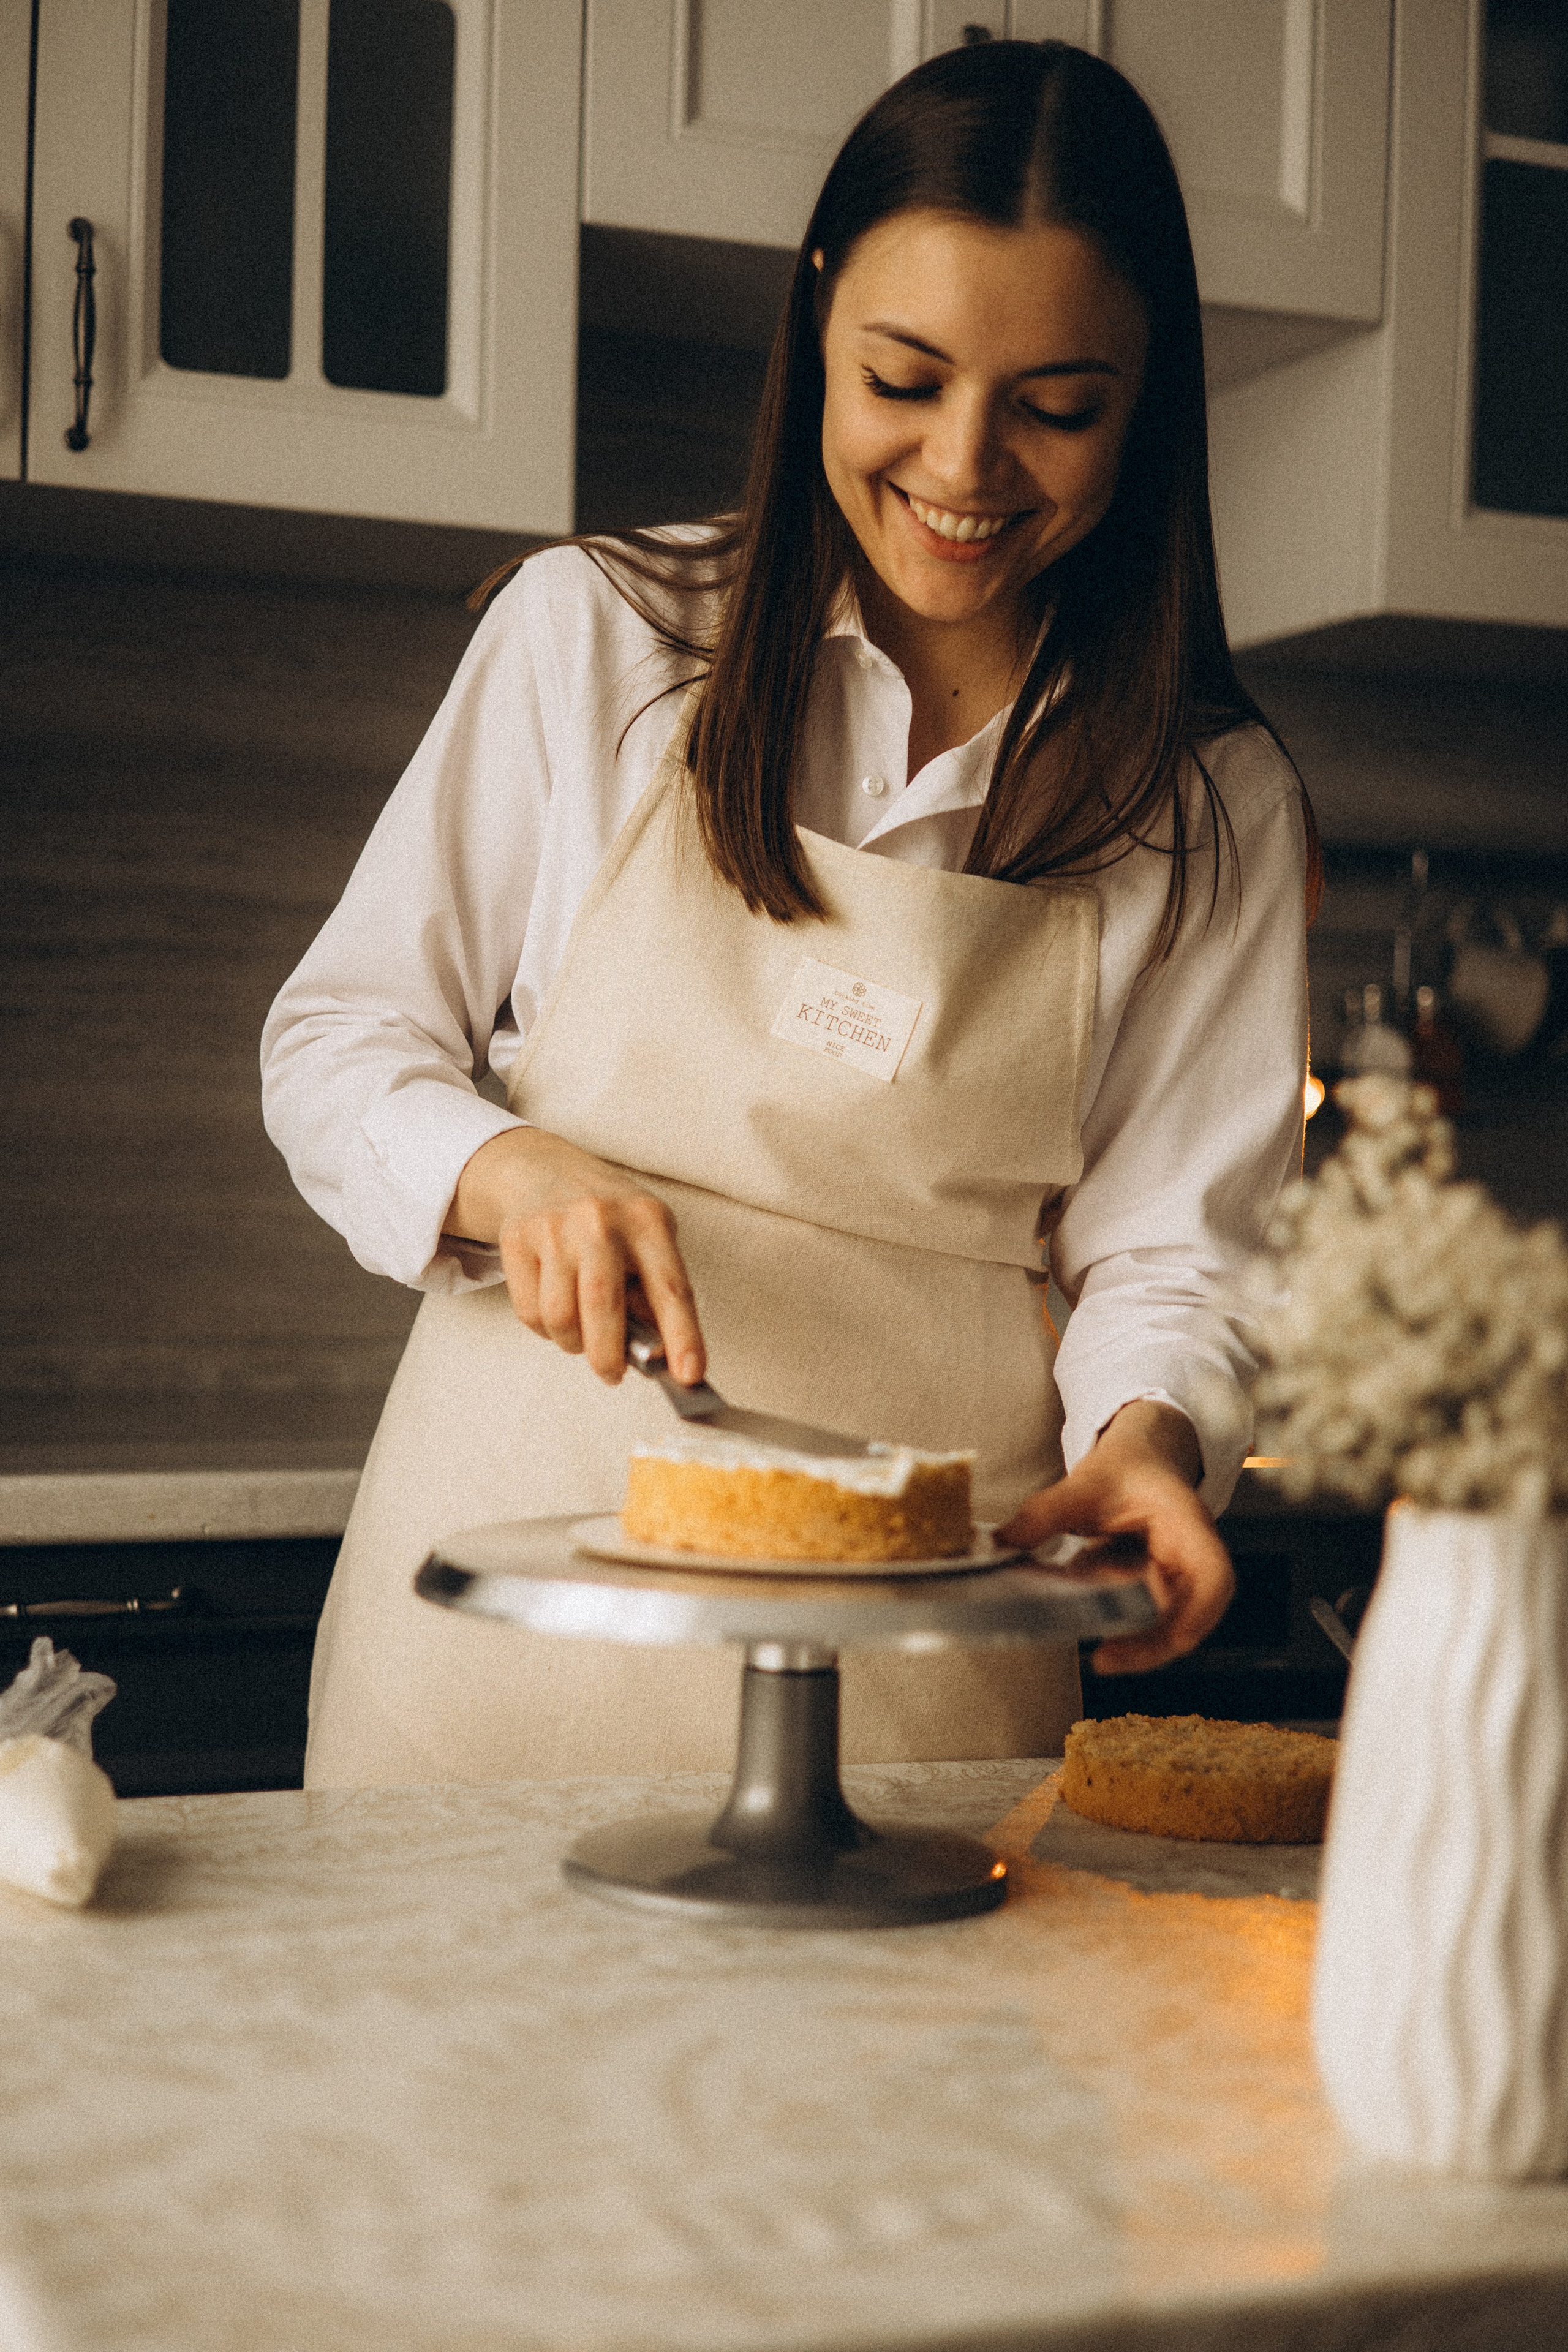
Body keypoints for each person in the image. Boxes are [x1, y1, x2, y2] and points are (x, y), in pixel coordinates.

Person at [262, 39, 1314, 1789]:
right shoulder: (591, 638)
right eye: (904, 376)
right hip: (484, 1666)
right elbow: (339, 1041)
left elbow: (1175, 1250)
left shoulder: (1209, 811)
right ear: (815, 317)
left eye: (1059, 408)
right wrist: (505, 1170)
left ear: (1152, 397)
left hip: (926, 1692)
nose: (967, 468)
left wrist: (1149, 1442)